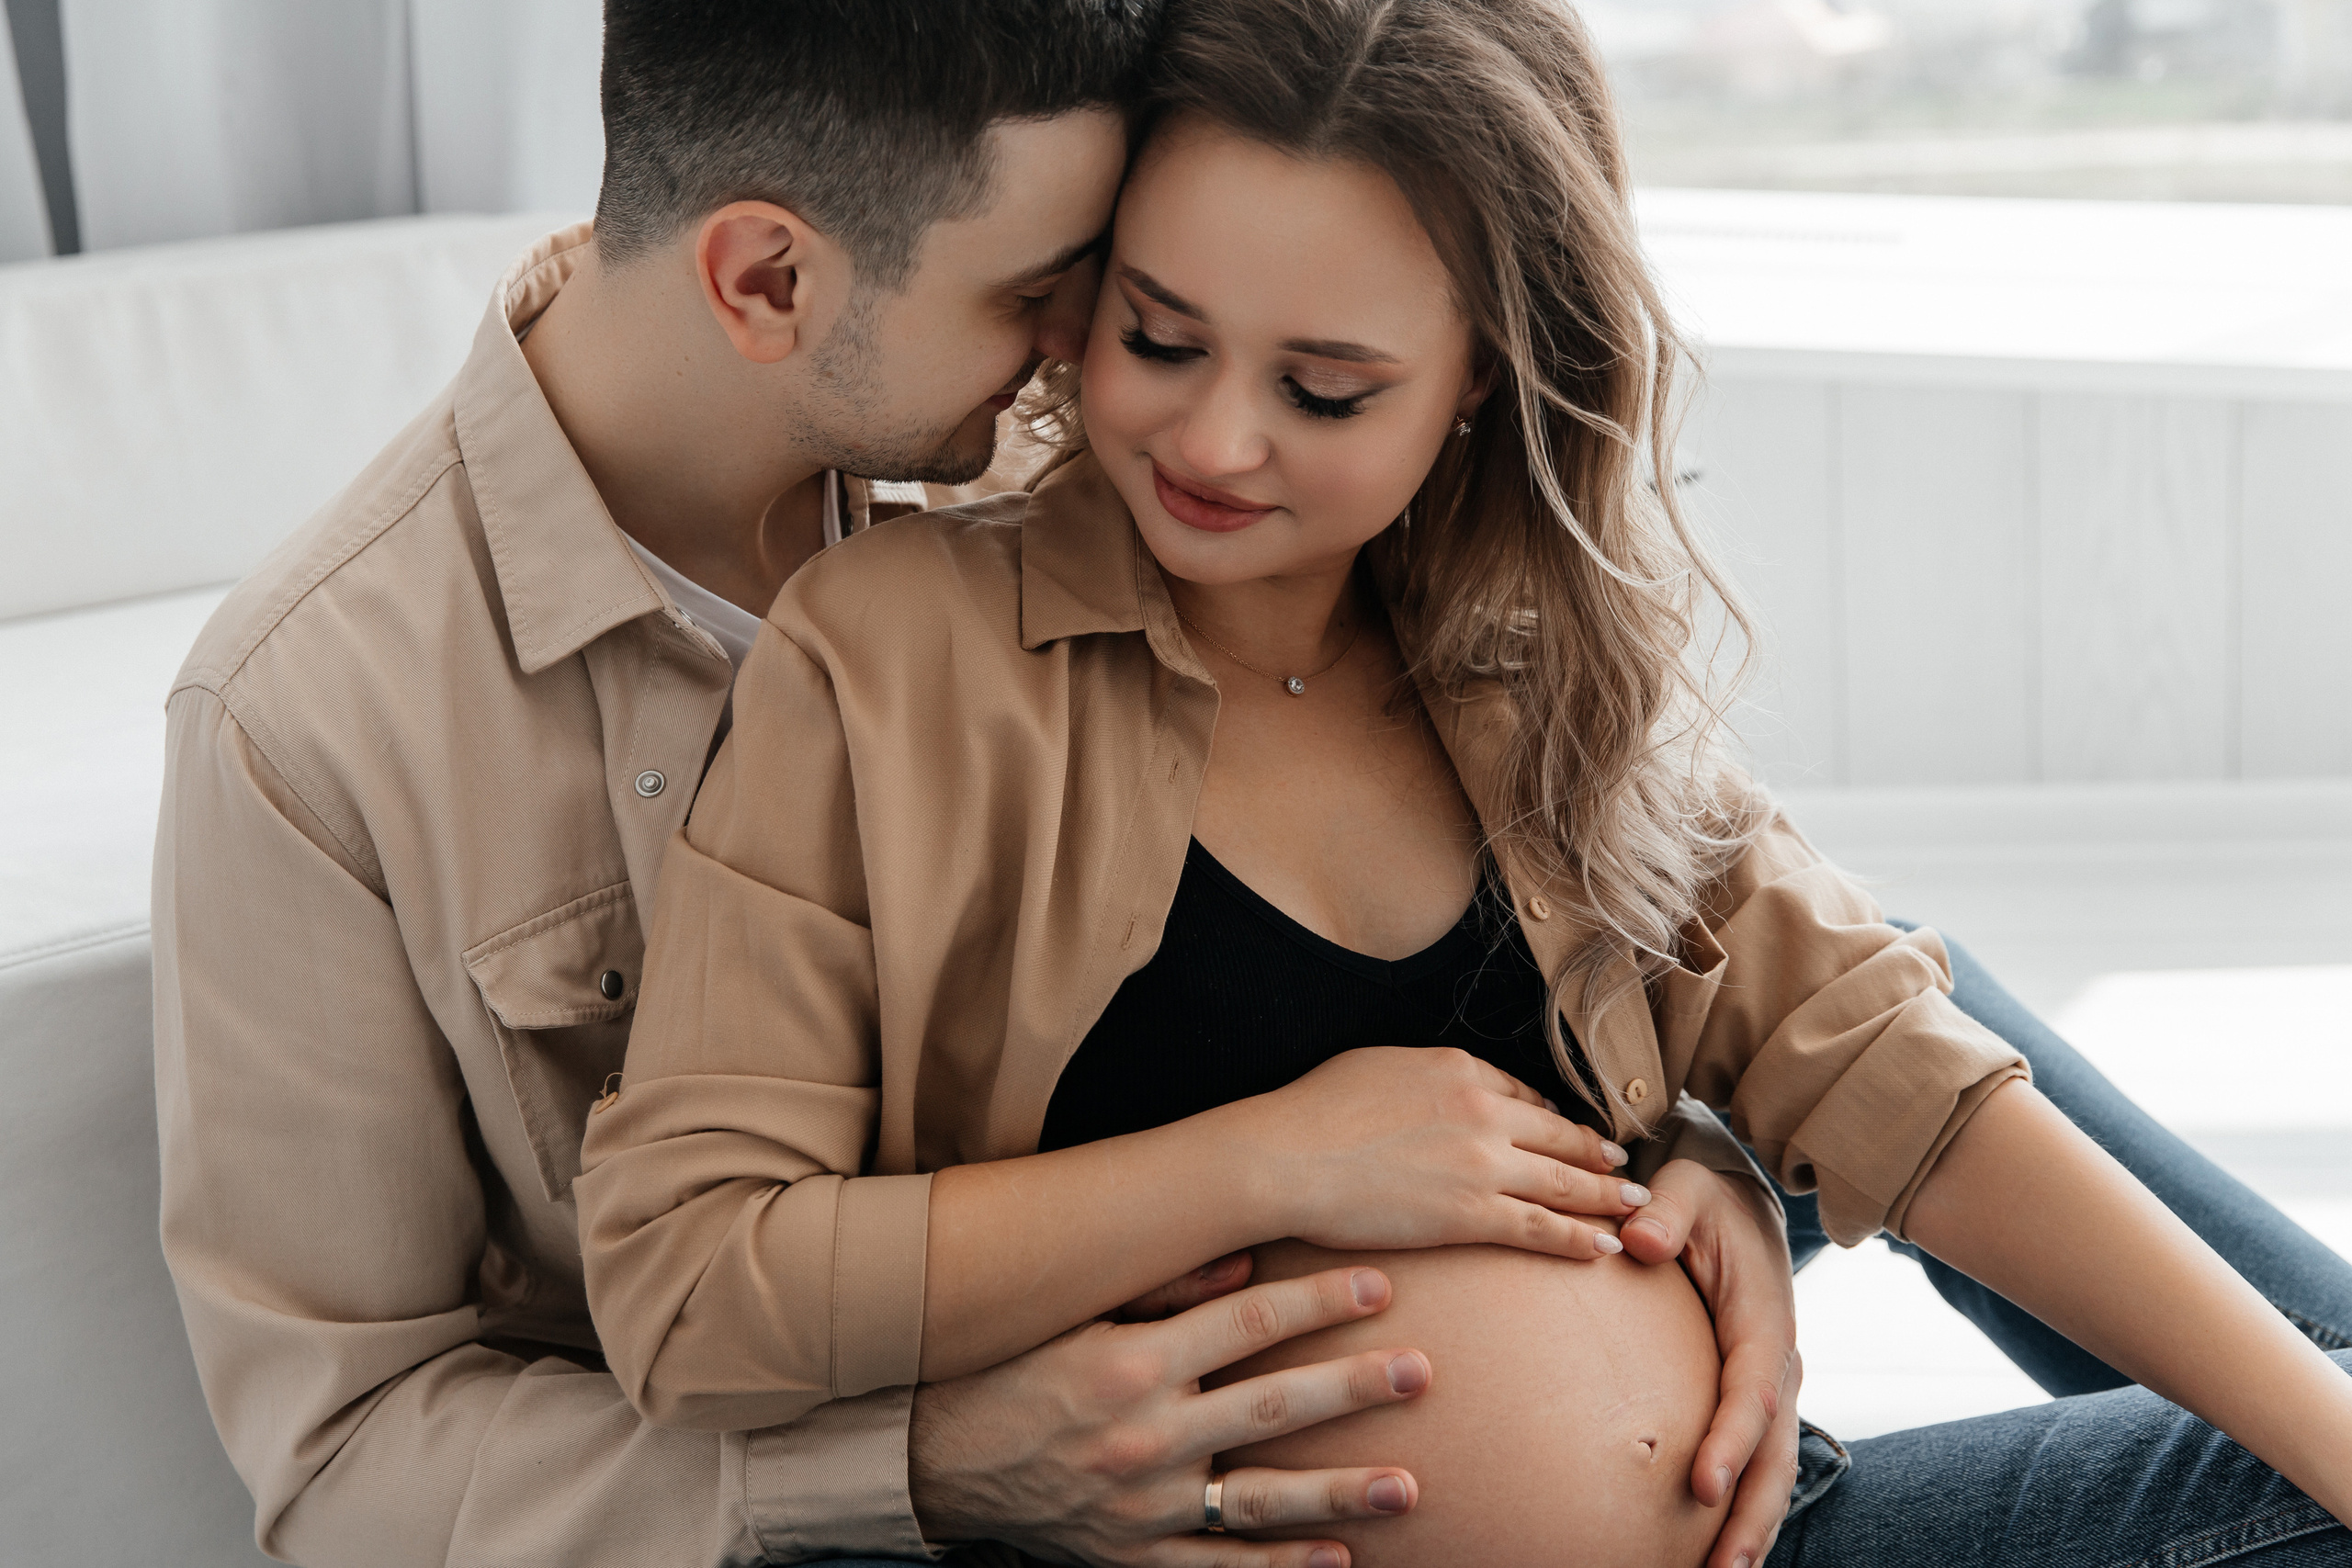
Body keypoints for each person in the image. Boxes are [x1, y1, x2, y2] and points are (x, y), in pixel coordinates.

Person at [574, 3, 2352, 1567]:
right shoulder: (887, 663)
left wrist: (1712, 1158)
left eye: (1328, 389)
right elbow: (692, 1284)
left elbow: (1895, 1074)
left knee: (2310, 1443)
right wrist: (1268, 1162)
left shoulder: (1541, 657)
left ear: (1481, 381)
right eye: (1160, 337)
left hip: (1773, 1534)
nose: (1211, 442)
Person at [154, 6, 1822, 1567]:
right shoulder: (310, 722)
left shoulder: (1142, 437)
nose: (1092, 353)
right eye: (1054, 292)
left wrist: (1699, 1151)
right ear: (766, 281)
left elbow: (1635, 901)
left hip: (1480, 1414)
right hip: (916, 1518)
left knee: (1942, 1036)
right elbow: (346, 1455)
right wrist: (929, 1466)